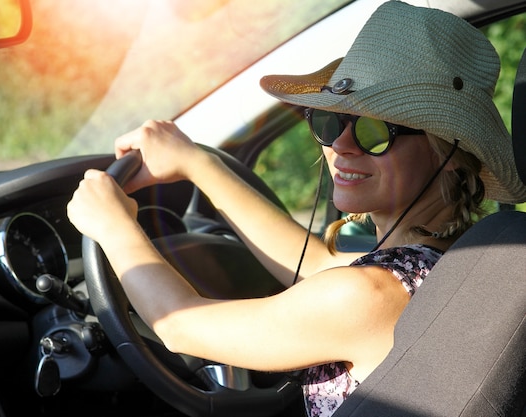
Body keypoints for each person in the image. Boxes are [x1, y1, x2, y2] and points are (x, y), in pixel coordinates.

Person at [67, 1, 526, 416]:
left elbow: (180, 326)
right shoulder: (459, 265)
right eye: (329, 121)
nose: (342, 146)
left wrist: (113, 226)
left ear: (446, 154)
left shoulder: (366, 294)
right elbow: (318, 263)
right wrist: (197, 163)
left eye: (373, 131)